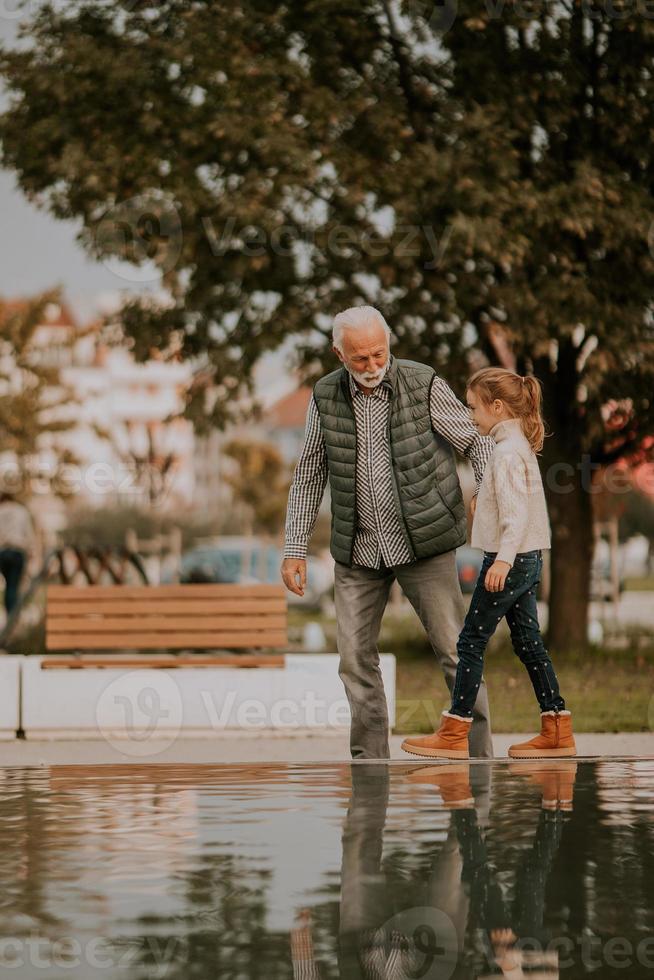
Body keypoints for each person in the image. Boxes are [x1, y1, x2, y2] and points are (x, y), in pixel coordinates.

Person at [280, 305, 495, 760]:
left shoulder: (423, 383)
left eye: (380, 354)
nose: (374, 366)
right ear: (338, 353)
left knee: (457, 654)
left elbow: (476, 442)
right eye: (360, 359)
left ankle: (479, 761)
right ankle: (369, 767)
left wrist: (490, 498)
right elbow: (309, 474)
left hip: (425, 544)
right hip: (358, 551)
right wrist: (295, 548)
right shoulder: (324, 397)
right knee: (355, 661)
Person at [402, 366, 576, 760]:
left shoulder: (506, 454)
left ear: (496, 407)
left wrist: (501, 562)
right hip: (526, 559)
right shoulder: (516, 448)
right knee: (529, 643)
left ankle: (454, 731)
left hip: (509, 561)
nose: (469, 416)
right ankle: (556, 727)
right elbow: (512, 508)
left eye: (473, 408)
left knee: (470, 642)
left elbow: (514, 521)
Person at [0, 492, 35, 615]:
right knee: (13, 586)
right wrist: (31, 552)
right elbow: (29, 533)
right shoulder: (21, 511)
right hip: (17, 551)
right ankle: (12, 617)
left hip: (2, 552)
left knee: (8, 585)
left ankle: (10, 614)